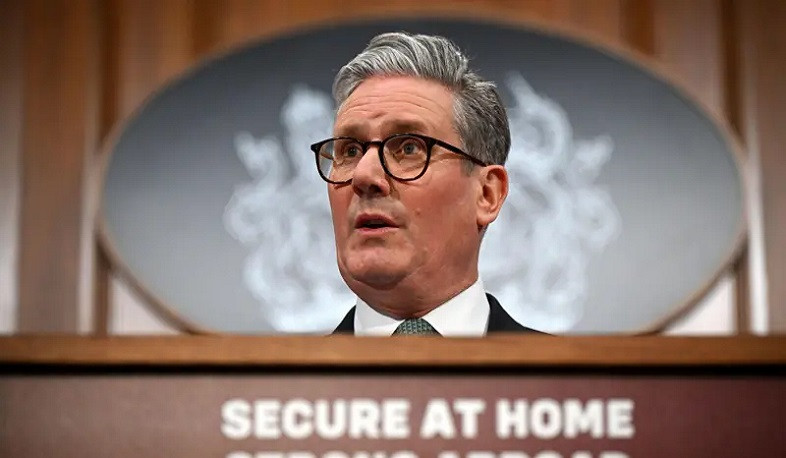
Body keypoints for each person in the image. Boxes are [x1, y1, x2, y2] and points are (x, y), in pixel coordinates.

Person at [311, 32, 542, 336]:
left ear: (487, 194)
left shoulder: (579, 368)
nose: (364, 176)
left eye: (409, 148)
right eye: (350, 151)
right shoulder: (272, 368)